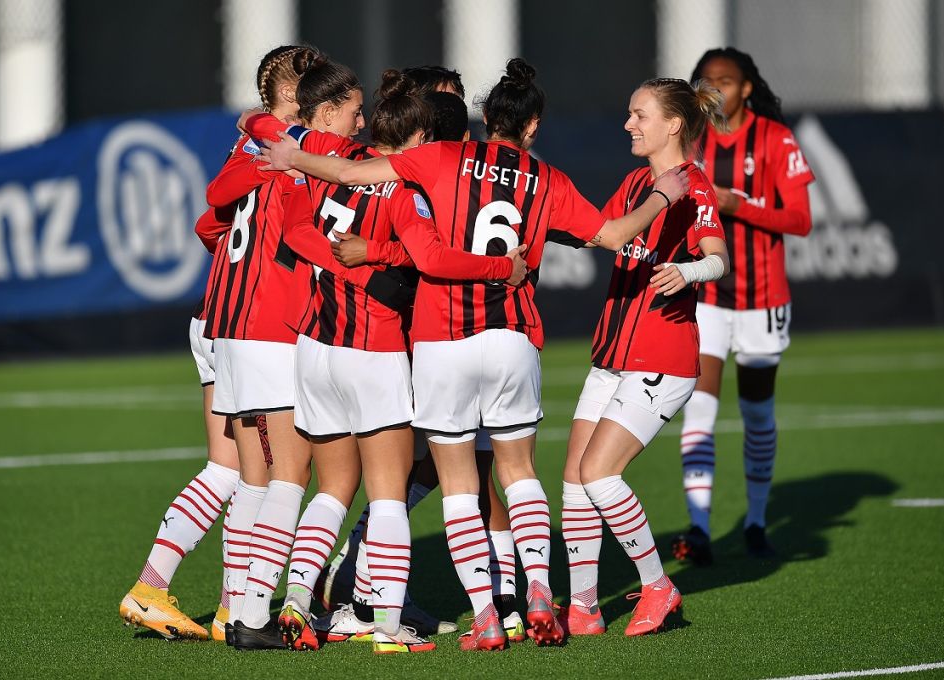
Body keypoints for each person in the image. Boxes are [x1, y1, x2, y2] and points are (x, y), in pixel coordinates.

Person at [258, 58, 691, 650]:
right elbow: (613, 235)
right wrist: (663, 197)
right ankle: (536, 591)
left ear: (484, 119)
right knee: (517, 473)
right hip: (513, 337)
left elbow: (354, 176)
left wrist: (292, 153)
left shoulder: (437, 159)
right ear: (533, 127)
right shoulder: (550, 179)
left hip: (435, 340)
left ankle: (483, 617)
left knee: (455, 483)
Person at [245, 65, 526, 654]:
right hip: (372, 349)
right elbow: (431, 260)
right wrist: (503, 267)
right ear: (420, 140)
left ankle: (296, 603)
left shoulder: (328, 163)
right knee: (390, 492)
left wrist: (335, 258)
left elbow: (292, 217)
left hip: (314, 347)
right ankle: (388, 625)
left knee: (331, 487)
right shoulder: (406, 190)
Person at [322, 79, 526, 643]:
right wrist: (503, 269)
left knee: (445, 471)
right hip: (432, 337)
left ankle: (367, 585)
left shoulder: (373, 166)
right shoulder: (431, 173)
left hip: (415, 339)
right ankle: (378, 594)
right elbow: (426, 254)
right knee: (445, 472)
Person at [558, 78, 729, 638]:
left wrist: (689, 271)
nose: (629, 124)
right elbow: (598, 235)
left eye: (640, 115)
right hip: (611, 355)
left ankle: (657, 585)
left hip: (663, 357)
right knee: (574, 482)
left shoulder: (696, 188)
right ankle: (583, 607)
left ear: (673, 125)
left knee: (599, 474)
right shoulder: (637, 181)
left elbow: (718, 259)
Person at [198, 44, 323, 651]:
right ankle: (251, 613)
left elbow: (209, 215)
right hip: (278, 325)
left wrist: (254, 128)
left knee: (254, 476)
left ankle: (231, 606)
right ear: (301, 98)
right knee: (290, 475)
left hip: (235, 327)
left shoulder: (250, 149)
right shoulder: (302, 154)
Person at [671, 48, 814, 566]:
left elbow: (800, 220)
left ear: (746, 88)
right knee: (699, 409)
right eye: (706, 82)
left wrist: (741, 206)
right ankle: (700, 528)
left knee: (757, 415)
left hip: (762, 300)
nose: (716, 90)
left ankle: (755, 522)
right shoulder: (690, 140)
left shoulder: (775, 139)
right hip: (707, 295)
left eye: (726, 81)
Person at [117, 238, 240, 642]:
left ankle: (162, 590)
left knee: (227, 469)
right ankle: (232, 609)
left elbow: (206, 226)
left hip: (210, 316)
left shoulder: (245, 173)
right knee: (265, 475)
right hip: (248, 325)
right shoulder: (304, 177)